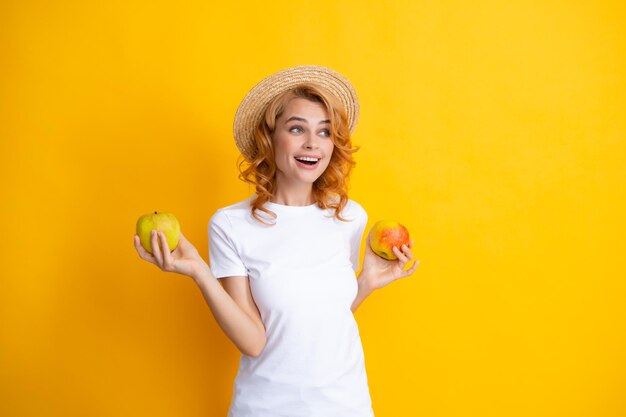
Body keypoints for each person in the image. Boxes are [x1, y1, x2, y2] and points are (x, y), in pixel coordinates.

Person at [133, 65, 420, 417]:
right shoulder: (231, 225)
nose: (312, 143)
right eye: (297, 128)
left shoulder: (349, 217)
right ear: (270, 139)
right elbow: (254, 342)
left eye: (325, 132)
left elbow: (319, 319)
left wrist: (364, 284)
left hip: (347, 406)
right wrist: (199, 272)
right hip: (267, 408)